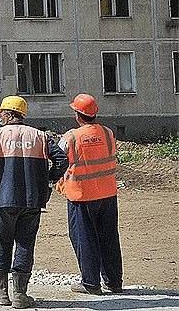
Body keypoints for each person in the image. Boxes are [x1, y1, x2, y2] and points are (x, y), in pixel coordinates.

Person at [0, 95, 68, 308]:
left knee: (1, 243)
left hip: (2, 199)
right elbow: (62, 159)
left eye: (1, 113)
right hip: (32, 199)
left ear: (8, 114)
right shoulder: (40, 136)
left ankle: (0, 293)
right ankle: (20, 295)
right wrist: (47, 178)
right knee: (25, 244)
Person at [56, 93, 123, 295]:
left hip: (82, 196)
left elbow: (58, 161)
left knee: (84, 238)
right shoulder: (108, 133)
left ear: (78, 115)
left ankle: (90, 283)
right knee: (109, 237)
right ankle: (113, 282)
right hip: (107, 194)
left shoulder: (71, 137)